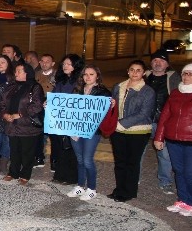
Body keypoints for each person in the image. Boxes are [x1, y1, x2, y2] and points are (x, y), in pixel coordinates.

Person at [154, 63, 192, 216]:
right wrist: (159, 136)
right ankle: (183, 200)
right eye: (184, 73)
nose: (186, 77)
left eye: (191, 74)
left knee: (191, 173)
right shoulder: (175, 93)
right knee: (178, 171)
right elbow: (165, 116)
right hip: (174, 139)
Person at [108, 60, 155, 203]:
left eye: (138, 70)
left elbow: (144, 113)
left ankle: (129, 191)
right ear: (128, 71)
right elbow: (113, 106)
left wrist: (121, 124)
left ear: (144, 73)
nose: (135, 73)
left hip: (138, 132)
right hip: (117, 130)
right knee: (120, 162)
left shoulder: (148, 91)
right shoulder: (118, 86)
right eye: (132, 70)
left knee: (132, 163)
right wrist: (112, 106)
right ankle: (119, 189)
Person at [66, 65, 113, 201]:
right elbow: (68, 106)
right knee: (79, 159)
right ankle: (80, 185)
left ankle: (92, 188)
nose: (88, 77)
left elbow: (107, 112)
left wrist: (112, 105)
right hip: (75, 129)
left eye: (91, 74)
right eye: (85, 74)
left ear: (97, 76)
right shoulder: (78, 90)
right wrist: (50, 105)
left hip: (92, 131)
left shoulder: (103, 92)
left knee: (87, 160)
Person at [1, 63, 44, 185]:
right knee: (14, 150)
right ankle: (13, 172)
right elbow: (3, 103)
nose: (16, 74)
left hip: (27, 126)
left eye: (19, 71)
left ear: (27, 73)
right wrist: (5, 114)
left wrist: (20, 114)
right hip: (12, 125)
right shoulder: (12, 87)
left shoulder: (35, 87)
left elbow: (37, 105)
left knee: (27, 151)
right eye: (16, 71)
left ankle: (25, 174)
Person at [145, 50, 181, 195]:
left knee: (164, 154)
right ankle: (134, 179)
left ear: (167, 64)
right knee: (137, 152)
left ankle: (165, 181)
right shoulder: (144, 76)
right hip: (144, 121)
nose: (157, 63)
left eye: (161, 61)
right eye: (155, 60)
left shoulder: (174, 79)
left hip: (163, 122)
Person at [50, 54, 84, 184]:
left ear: (76, 66)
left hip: (73, 120)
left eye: (69, 64)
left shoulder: (80, 82)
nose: (65, 66)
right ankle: (60, 175)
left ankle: (71, 177)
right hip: (60, 119)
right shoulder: (61, 81)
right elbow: (55, 96)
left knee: (71, 148)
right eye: (64, 64)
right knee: (60, 147)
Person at [34, 53, 56, 168]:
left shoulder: (57, 75)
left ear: (52, 63)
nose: (44, 63)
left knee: (53, 134)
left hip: (52, 106)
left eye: (47, 61)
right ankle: (39, 157)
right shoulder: (35, 74)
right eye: (42, 61)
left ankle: (54, 161)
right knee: (39, 133)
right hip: (38, 106)